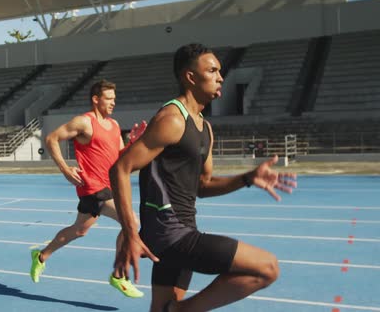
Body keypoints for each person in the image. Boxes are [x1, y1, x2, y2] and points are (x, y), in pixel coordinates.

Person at [109, 44, 298, 311]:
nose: (220, 77)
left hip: (184, 230)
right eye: (212, 70)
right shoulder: (172, 120)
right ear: (190, 77)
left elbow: (203, 186)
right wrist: (130, 233)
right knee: (267, 268)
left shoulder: (205, 128)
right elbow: (120, 168)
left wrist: (247, 178)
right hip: (170, 235)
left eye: (220, 71)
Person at [30, 79, 147, 298]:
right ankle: (119, 275)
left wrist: (132, 142)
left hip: (109, 186)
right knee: (131, 221)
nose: (113, 102)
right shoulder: (84, 122)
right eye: (109, 98)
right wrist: (65, 169)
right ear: (96, 99)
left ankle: (40, 256)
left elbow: (120, 158)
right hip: (93, 187)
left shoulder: (113, 125)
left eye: (114, 98)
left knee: (79, 230)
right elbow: (51, 138)